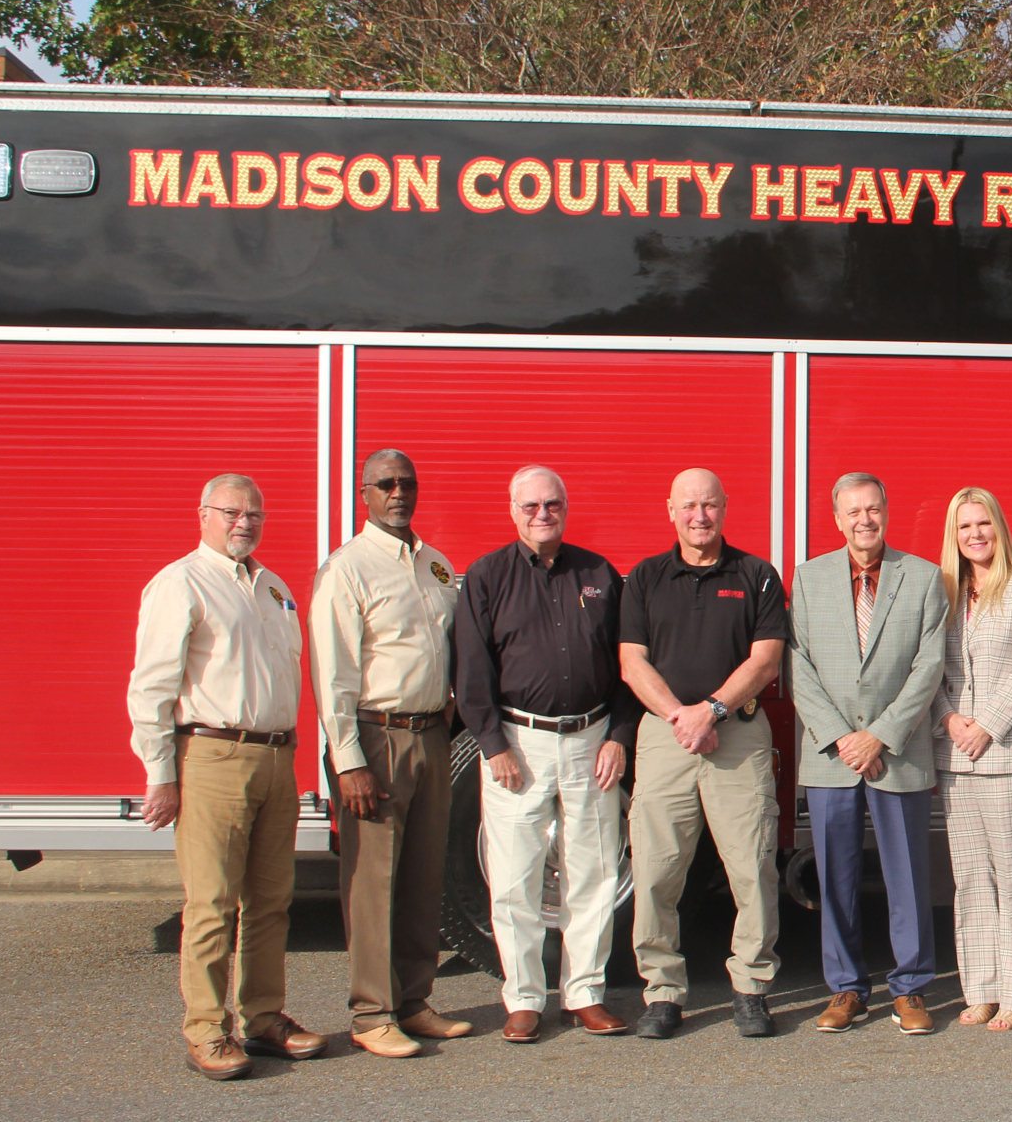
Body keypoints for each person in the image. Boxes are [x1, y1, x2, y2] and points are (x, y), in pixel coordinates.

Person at [127, 473, 327, 1081]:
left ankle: (263, 1017)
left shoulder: (272, 587)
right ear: (204, 515)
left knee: (270, 902)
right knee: (212, 902)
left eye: (255, 513)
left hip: (274, 758)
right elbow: (152, 686)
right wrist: (161, 774)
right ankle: (207, 1030)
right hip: (212, 756)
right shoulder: (179, 584)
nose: (245, 522)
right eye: (232, 512)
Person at [453, 465, 632, 1043]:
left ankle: (584, 995)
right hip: (518, 745)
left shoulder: (599, 574)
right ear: (512, 509)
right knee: (514, 879)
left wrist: (618, 737)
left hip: (591, 742)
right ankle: (524, 999)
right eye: (530, 506)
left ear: (566, 506)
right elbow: (472, 669)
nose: (541, 514)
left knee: (595, 875)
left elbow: (628, 663)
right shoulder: (486, 577)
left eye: (551, 504)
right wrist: (491, 743)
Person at [309, 449, 474, 1058]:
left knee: (423, 875)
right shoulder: (347, 569)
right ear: (365, 493)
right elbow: (334, 675)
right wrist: (348, 760)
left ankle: (414, 1000)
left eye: (407, 483)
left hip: (432, 734)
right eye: (385, 484)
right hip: (376, 739)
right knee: (373, 880)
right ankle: (372, 1013)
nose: (398, 492)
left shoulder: (434, 565)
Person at [619, 468, 790, 1040]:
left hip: (736, 735)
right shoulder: (644, 578)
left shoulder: (756, 575)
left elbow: (765, 659)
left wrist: (711, 711)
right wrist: (681, 717)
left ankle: (751, 988)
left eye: (710, 504)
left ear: (725, 508)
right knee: (656, 869)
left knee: (752, 866)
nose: (699, 515)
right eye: (688, 505)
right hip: (666, 735)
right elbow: (632, 662)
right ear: (670, 509)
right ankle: (663, 992)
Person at [787, 472, 950, 1034]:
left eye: (874, 509)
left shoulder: (924, 578)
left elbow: (929, 666)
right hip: (832, 756)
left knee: (908, 875)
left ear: (887, 511)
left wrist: (880, 735)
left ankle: (911, 989)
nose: (865, 520)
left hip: (896, 753)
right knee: (835, 877)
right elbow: (797, 664)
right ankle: (846, 989)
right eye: (853, 511)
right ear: (837, 519)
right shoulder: (808, 580)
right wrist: (843, 738)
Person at [933, 487, 1012, 1032]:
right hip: (956, 752)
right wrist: (948, 718)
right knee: (971, 879)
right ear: (953, 536)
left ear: (998, 527)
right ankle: (980, 987)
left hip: (1008, 750)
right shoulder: (946, 591)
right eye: (964, 527)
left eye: (983, 523)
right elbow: (926, 667)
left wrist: (987, 724)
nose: (975, 534)